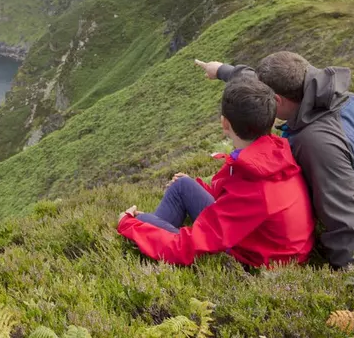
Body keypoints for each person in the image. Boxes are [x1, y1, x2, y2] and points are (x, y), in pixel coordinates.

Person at [194, 51, 354, 268]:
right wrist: (223, 70)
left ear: (277, 100)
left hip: (315, 214)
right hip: (353, 184)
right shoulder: (346, 98)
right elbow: (260, 85)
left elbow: (344, 220)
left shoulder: (316, 143)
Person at [117, 77, 315, 267]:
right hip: (267, 244)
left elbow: (187, 247)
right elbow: (237, 197)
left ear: (224, 123)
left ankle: (150, 240)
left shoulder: (255, 186)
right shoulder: (274, 152)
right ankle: (155, 235)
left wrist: (130, 224)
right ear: (270, 120)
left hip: (255, 261)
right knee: (182, 186)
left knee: (140, 222)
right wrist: (201, 188)